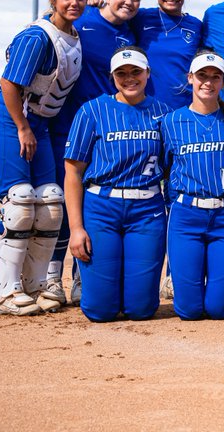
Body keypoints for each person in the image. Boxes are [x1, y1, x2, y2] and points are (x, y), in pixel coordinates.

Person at [0, 0, 87, 315]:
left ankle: (36, 283)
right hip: (11, 119)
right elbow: (9, 84)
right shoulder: (38, 36)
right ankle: (5, 290)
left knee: (52, 203)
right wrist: (23, 128)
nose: (74, 2)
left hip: (39, 123)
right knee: (20, 201)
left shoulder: (73, 35)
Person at [63, 46, 169, 322]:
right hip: (102, 208)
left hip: (147, 210)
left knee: (141, 309)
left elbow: (172, 169)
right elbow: (72, 173)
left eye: (136, 71)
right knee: (100, 311)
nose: (129, 78)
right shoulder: (92, 111)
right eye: (121, 73)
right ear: (112, 76)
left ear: (148, 73)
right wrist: (76, 229)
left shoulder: (164, 113)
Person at [56, 0, 141, 301]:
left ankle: (83, 277)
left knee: (96, 203)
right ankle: (53, 274)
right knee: (63, 203)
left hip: (112, 127)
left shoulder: (131, 30)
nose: (129, 2)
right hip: (73, 122)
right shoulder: (84, 17)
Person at [159, 51, 224, 320]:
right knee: (188, 310)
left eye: (215, 77)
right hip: (187, 215)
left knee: (220, 309)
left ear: (223, 82)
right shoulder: (171, 121)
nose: (208, 82)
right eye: (202, 76)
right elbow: (166, 168)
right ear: (190, 78)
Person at [132, 0, 202, 110]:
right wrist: (94, 4)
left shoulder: (196, 26)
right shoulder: (139, 18)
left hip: (182, 107)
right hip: (145, 108)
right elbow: (112, 16)